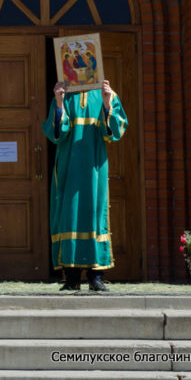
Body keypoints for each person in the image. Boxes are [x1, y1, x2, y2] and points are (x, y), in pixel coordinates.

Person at [42, 79, 127, 292]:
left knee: (95, 216)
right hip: (69, 168)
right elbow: (56, 135)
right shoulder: (64, 94)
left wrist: (107, 104)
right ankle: (71, 277)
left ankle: (96, 276)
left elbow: (114, 133)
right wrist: (59, 103)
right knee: (68, 215)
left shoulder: (107, 94)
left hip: (94, 169)